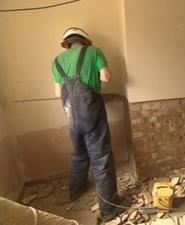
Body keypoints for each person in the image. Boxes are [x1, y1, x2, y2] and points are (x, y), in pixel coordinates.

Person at [51, 27, 122, 222]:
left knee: (79, 153)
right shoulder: (95, 51)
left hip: (71, 116)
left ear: (67, 43)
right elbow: (106, 77)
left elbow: (58, 93)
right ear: (84, 40)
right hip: (92, 112)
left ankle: (76, 190)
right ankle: (109, 209)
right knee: (101, 156)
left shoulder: (56, 61)